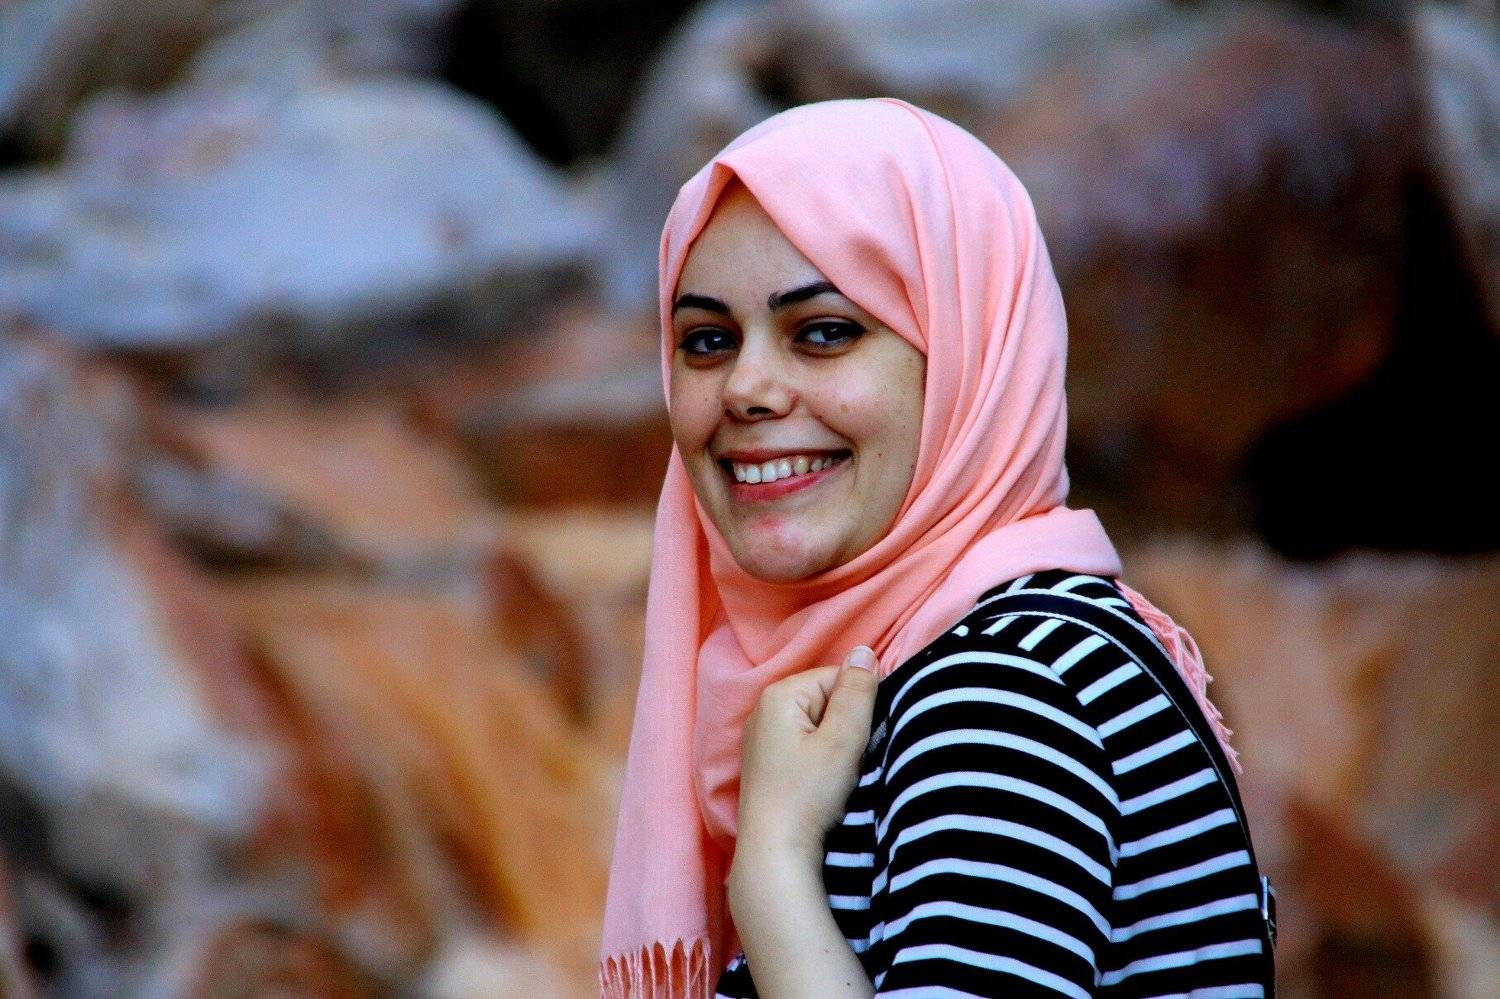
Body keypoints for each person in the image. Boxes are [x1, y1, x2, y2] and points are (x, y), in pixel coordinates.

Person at [599, 97, 1275, 998]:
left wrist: (771, 867)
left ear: (965, 356)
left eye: (825, 331)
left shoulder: (1004, 697)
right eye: (708, 340)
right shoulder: (1005, 649)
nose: (748, 388)